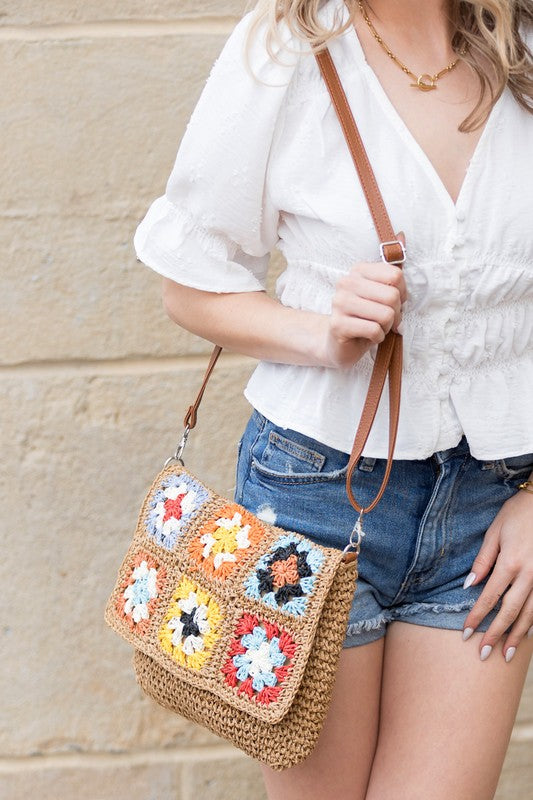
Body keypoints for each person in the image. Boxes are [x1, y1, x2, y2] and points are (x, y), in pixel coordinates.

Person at [133, 1, 533, 797]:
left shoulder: (519, 42)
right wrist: (322, 335)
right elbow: (190, 284)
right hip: (313, 497)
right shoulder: (285, 45)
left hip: (492, 514)